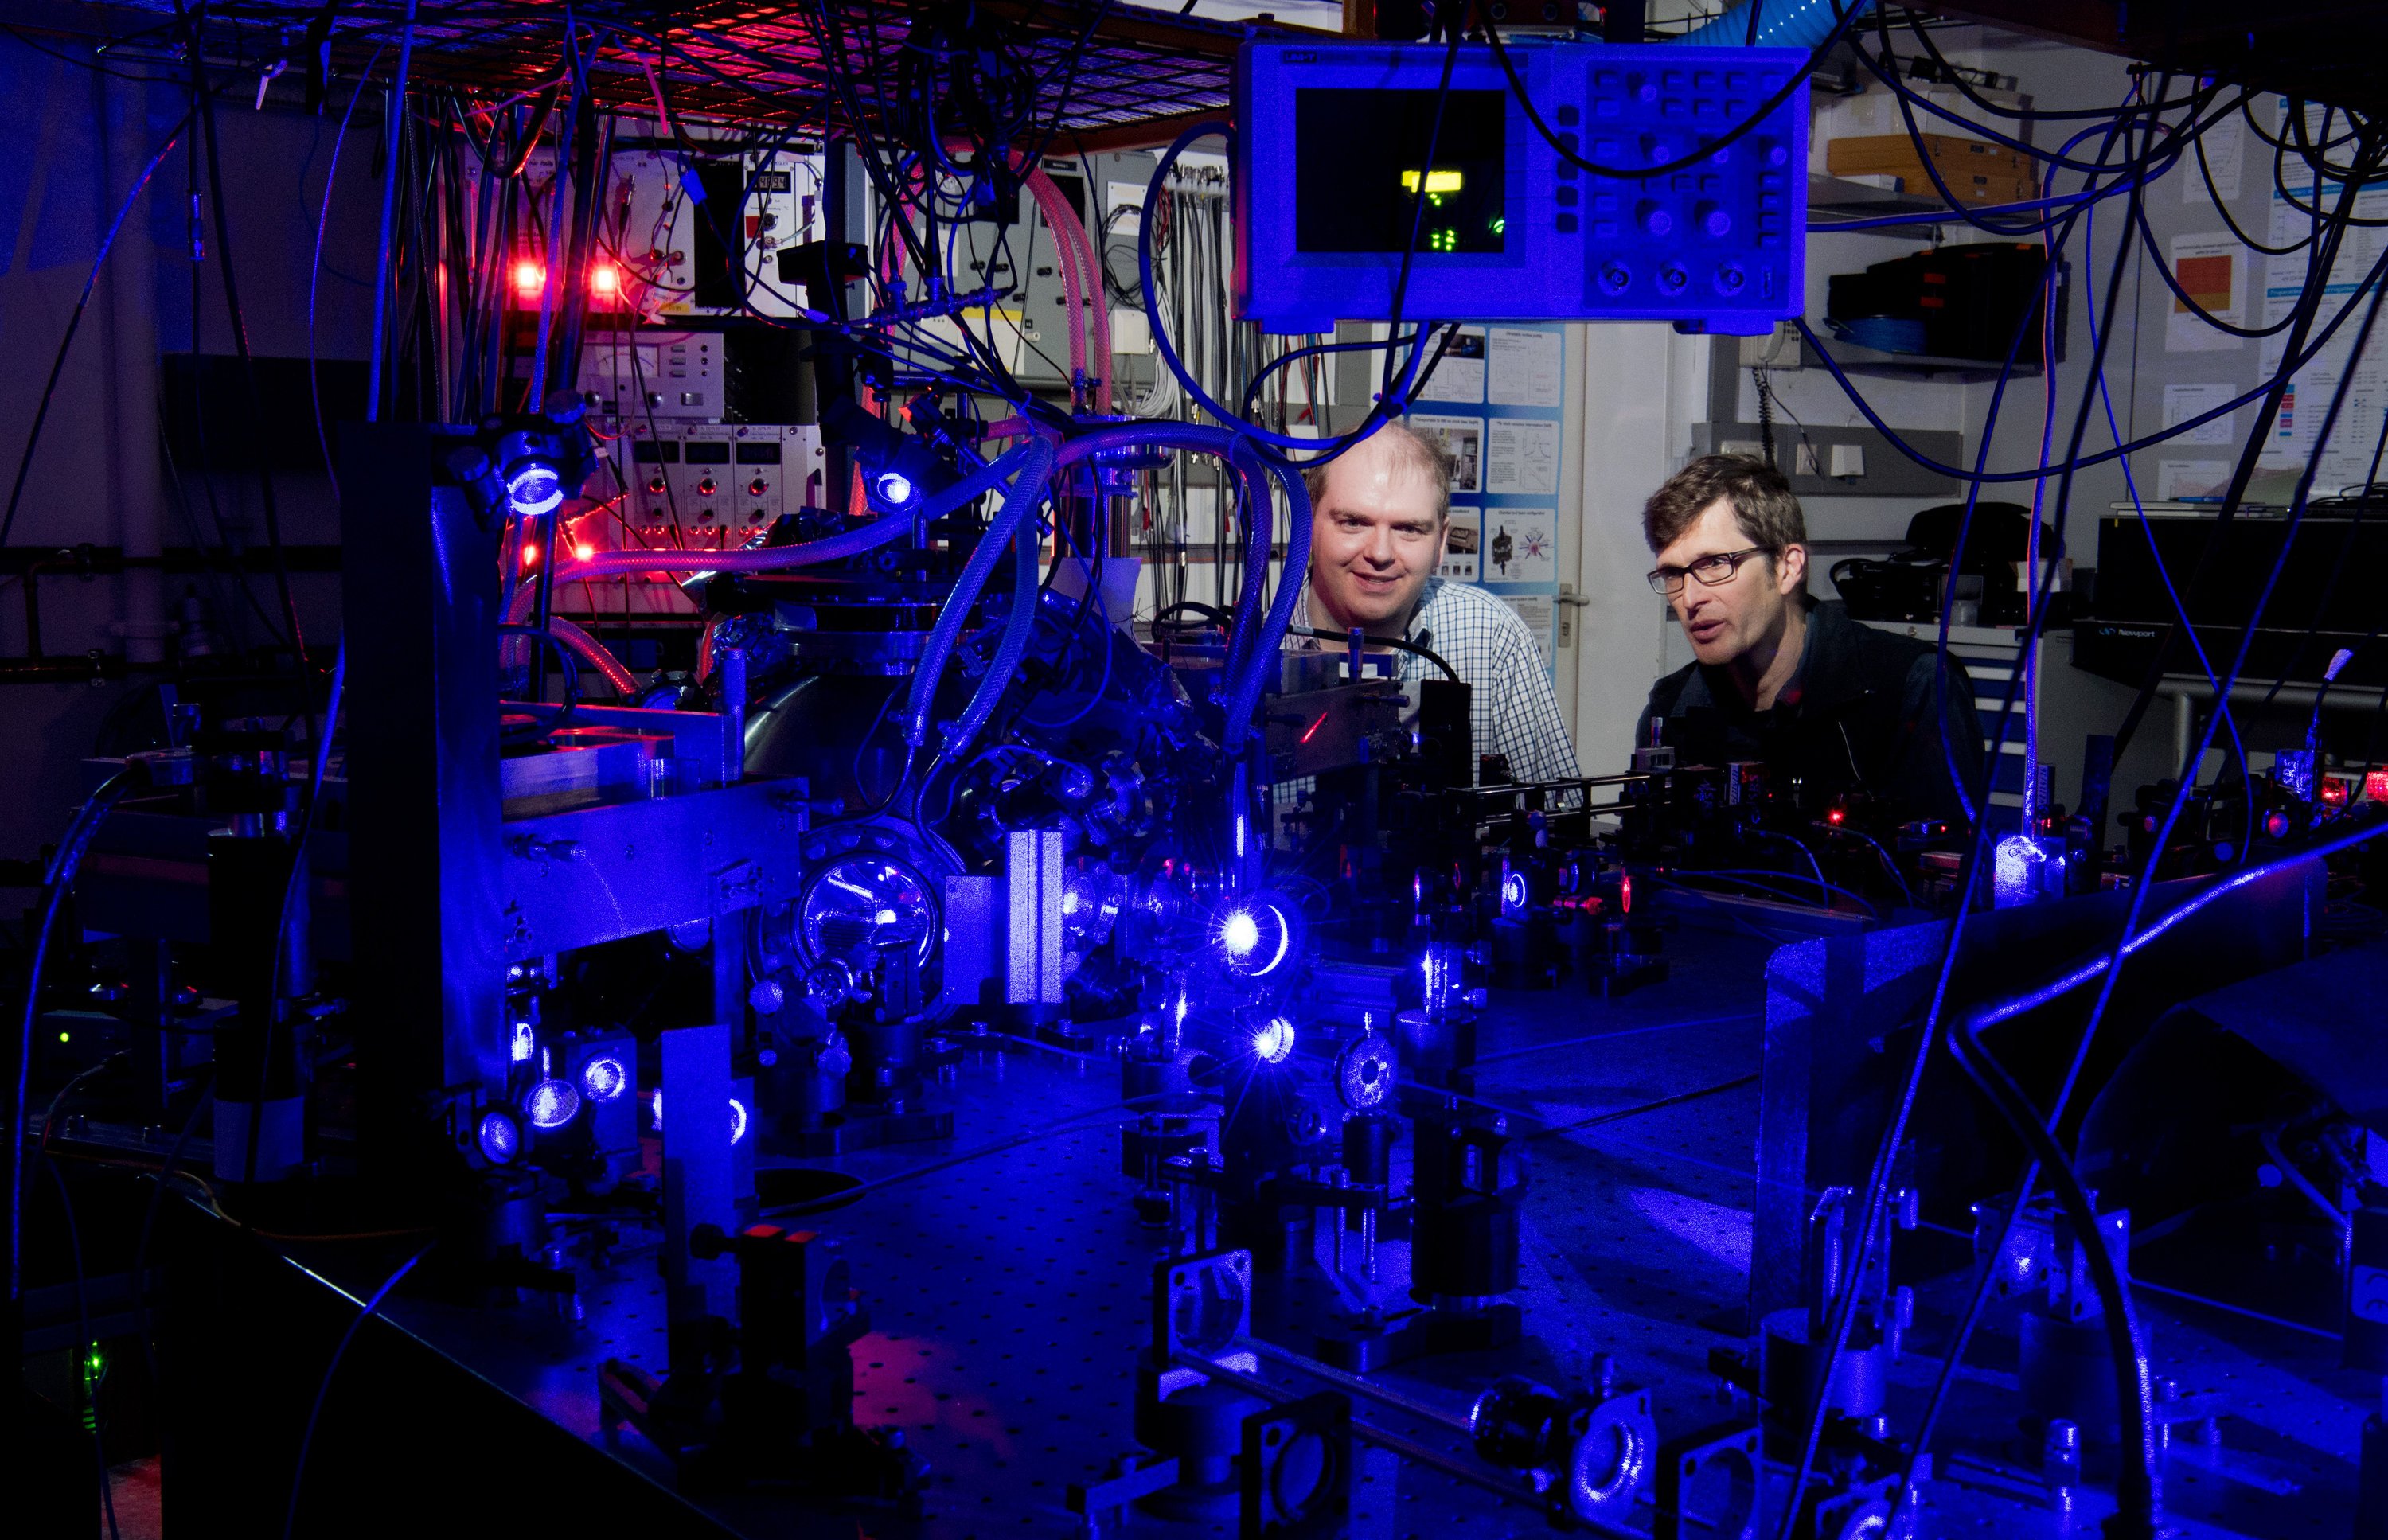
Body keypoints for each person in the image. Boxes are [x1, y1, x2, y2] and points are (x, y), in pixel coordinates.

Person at [1635, 454, 1982, 828]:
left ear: (1788, 567)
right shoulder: (1670, 711)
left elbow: (1945, 870)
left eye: (1715, 564)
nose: (1689, 599)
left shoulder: (1911, 688)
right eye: (1674, 574)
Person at [1297, 421, 1578, 783]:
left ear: (1441, 542)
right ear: (1307, 524)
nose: (1380, 553)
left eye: (1409, 529)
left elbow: (1558, 818)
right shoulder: (1246, 654)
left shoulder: (1492, 638)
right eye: (1354, 522)